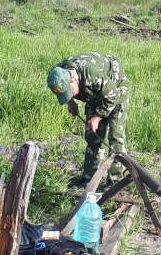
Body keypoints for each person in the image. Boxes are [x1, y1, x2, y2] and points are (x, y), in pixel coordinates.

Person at [47, 52, 130, 189]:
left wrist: (97, 117)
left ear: (73, 78)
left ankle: (115, 180)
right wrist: (70, 101)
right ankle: (89, 178)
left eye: (70, 91)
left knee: (115, 135)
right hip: (94, 92)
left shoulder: (90, 73)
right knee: (93, 134)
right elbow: (64, 89)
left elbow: (112, 95)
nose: (71, 94)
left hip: (115, 87)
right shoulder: (58, 74)